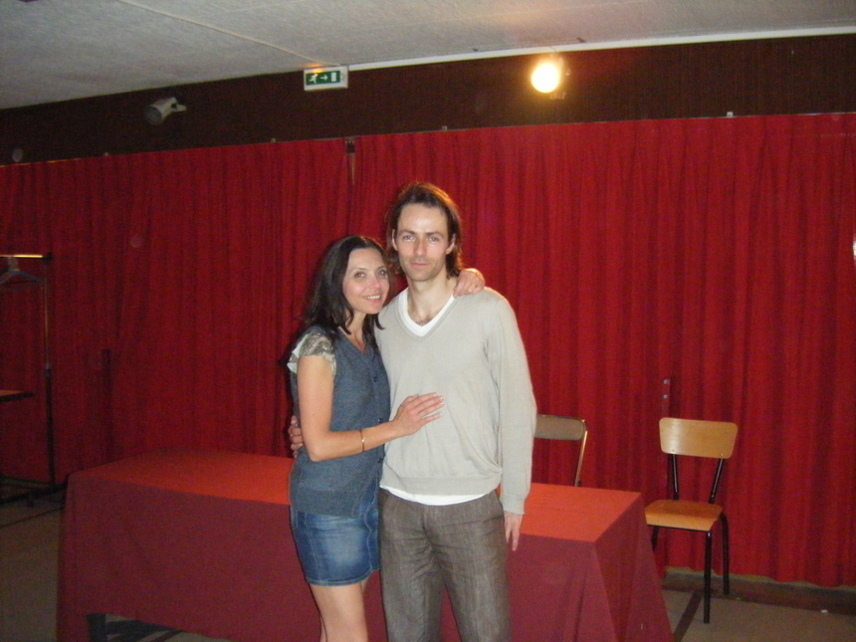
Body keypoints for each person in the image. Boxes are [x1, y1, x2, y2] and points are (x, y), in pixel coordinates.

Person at [376, 182, 536, 642]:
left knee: (487, 635)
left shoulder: (487, 309)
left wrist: (516, 497)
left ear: (451, 244)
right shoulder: (383, 320)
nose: (420, 249)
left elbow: (517, 404)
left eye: (432, 236)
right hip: (398, 506)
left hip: (470, 506)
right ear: (393, 240)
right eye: (408, 236)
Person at [285, 234, 446, 642]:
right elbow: (318, 447)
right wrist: (397, 427)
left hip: (369, 501)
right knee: (350, 635)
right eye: (360, 275)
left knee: (336, 630)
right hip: (329, 505)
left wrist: (470, 278)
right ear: (336, 281)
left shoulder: (375, 339)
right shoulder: (319, 344)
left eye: (380, 273)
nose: (375, 284)